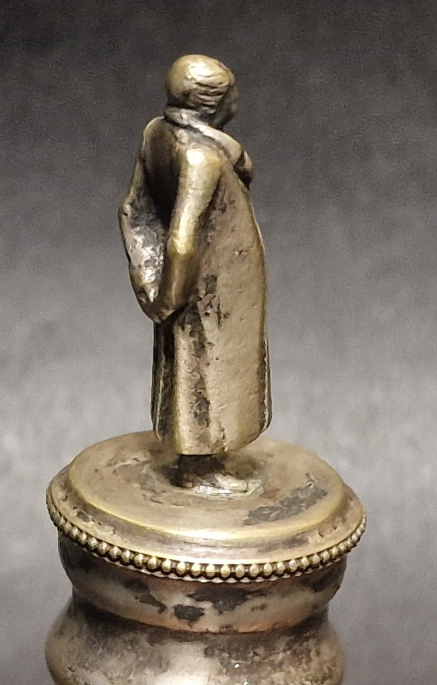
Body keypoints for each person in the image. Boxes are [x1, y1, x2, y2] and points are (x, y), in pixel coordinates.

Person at [120, 54, 271, 459]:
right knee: (206, 368)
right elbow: (182, 238)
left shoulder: (156, 133)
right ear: (213, 104)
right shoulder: (201, 158)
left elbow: (133, 208)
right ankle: (200, 468)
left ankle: (202, 458)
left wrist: (150, 279)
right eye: (231, 93)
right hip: (208, 288)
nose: (237, 99)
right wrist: (167, 299)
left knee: (192, 363)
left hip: (202, 284)